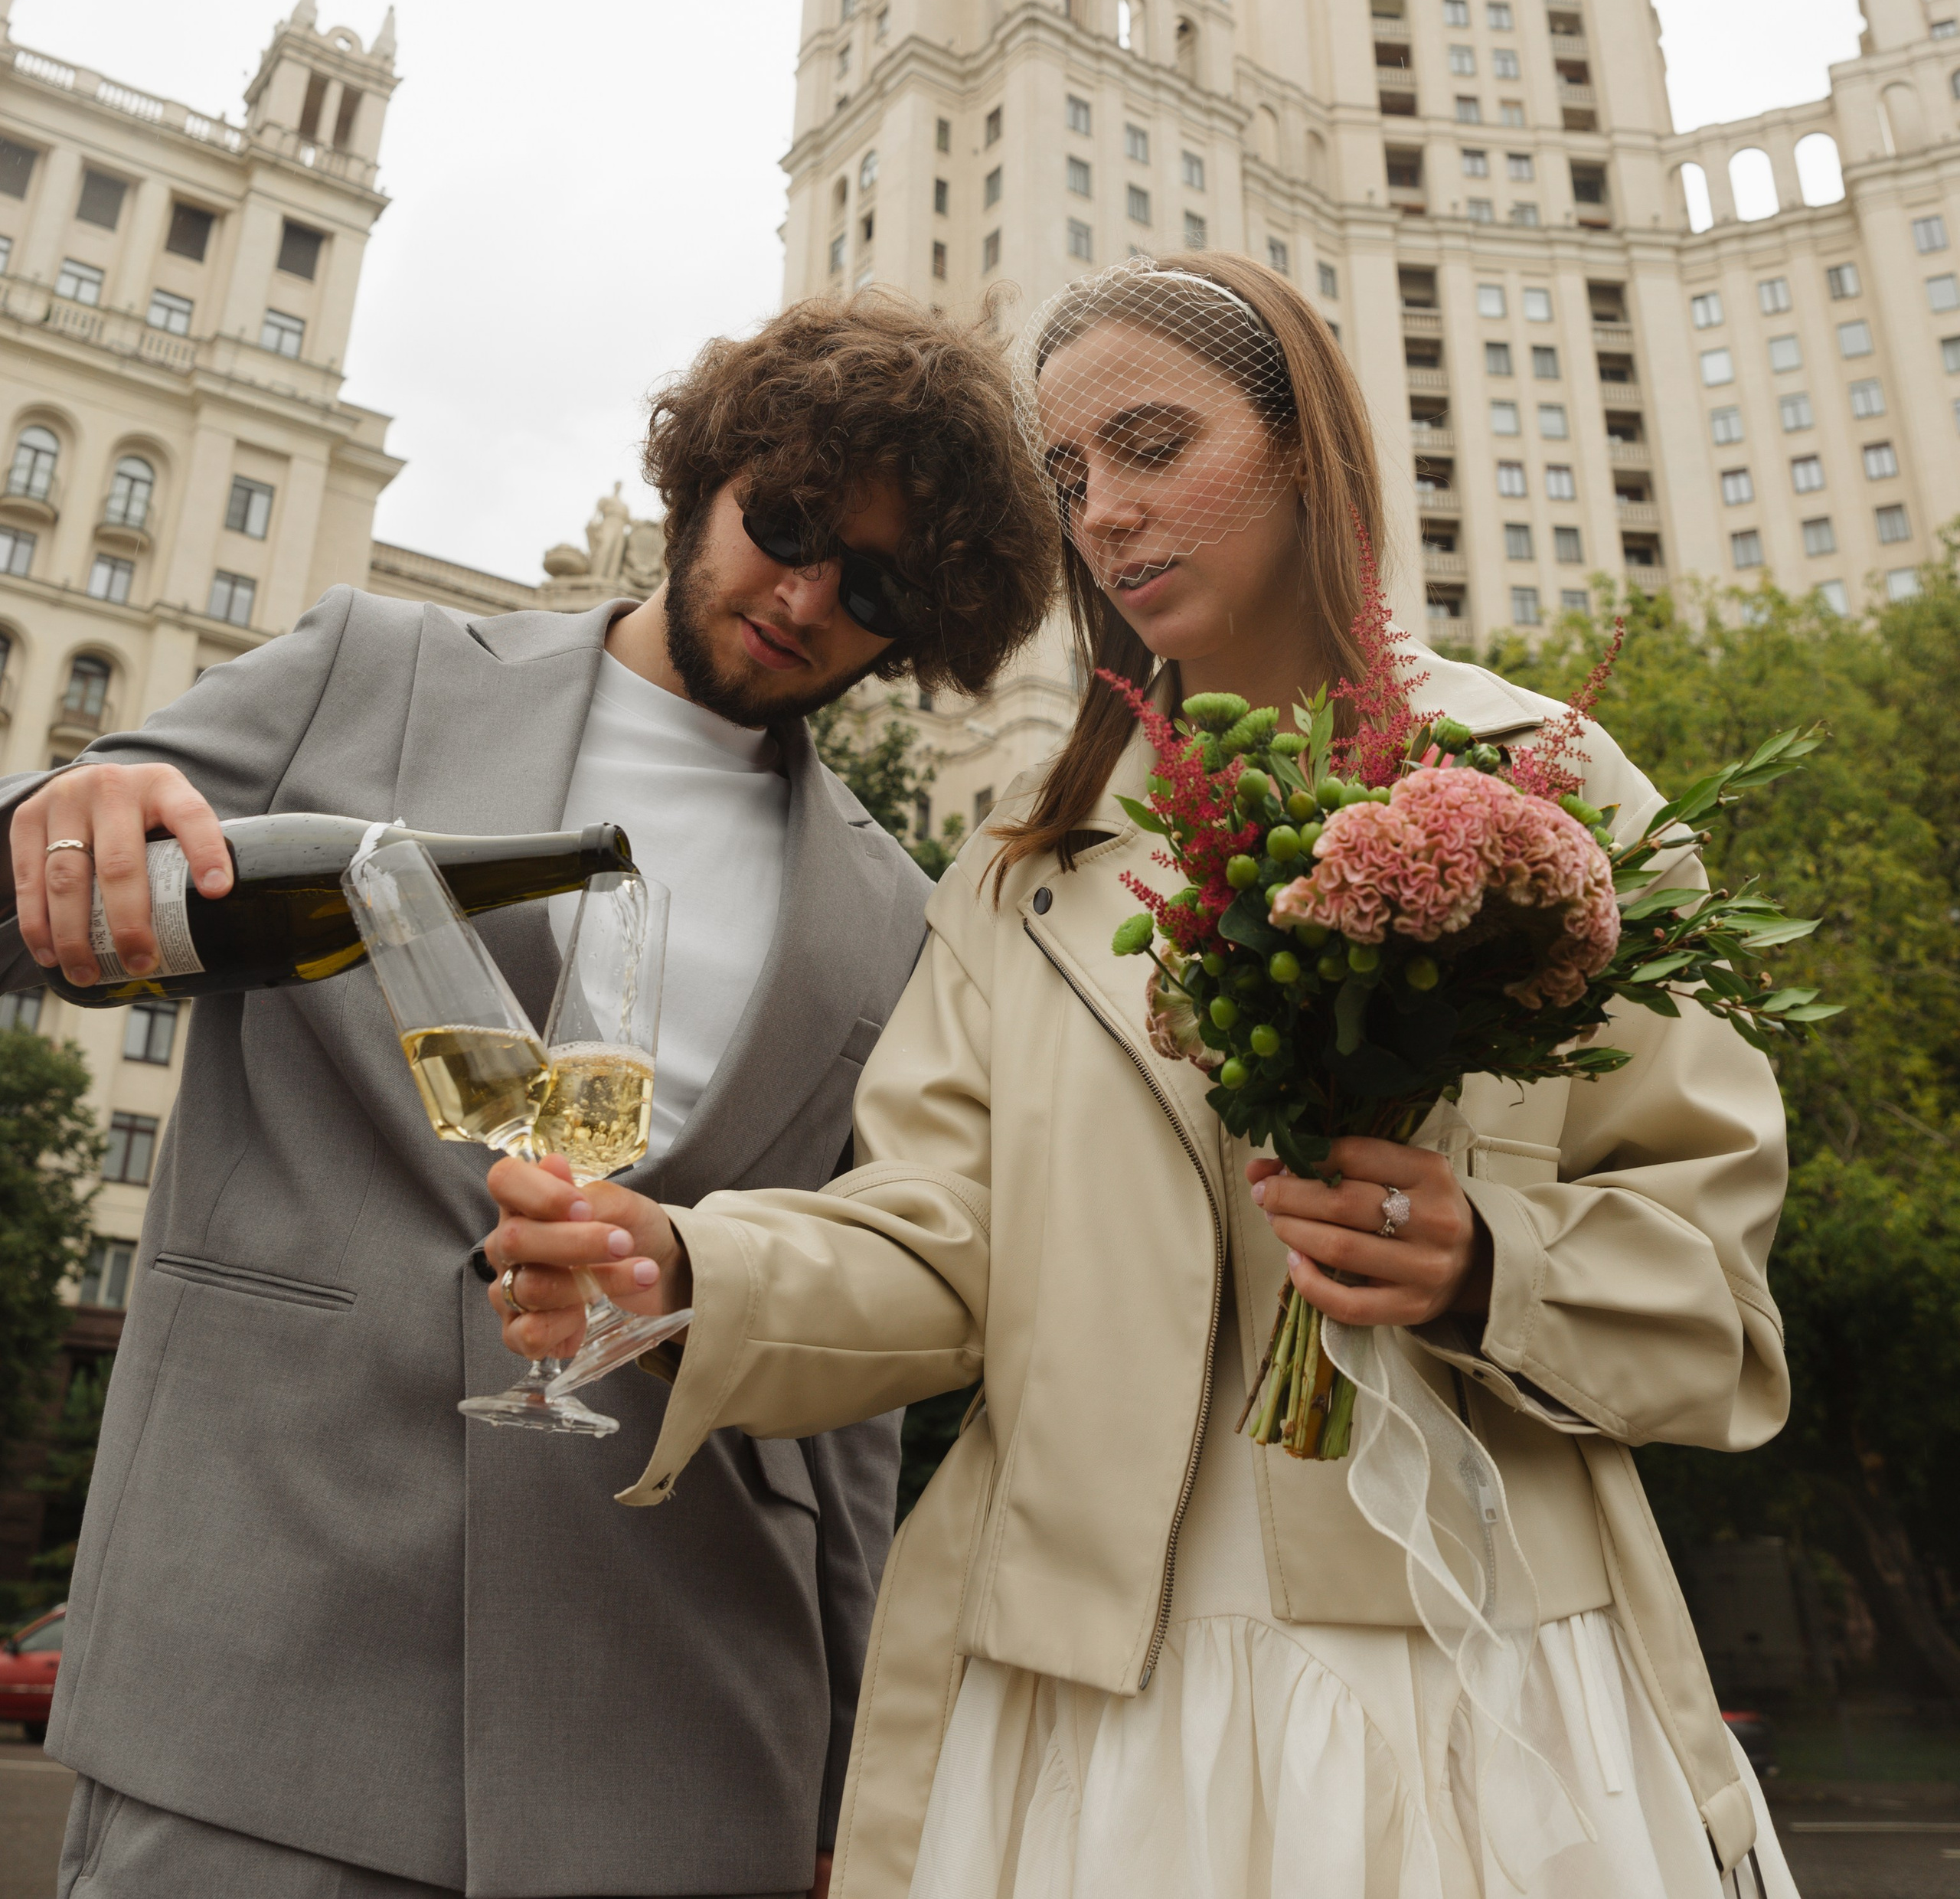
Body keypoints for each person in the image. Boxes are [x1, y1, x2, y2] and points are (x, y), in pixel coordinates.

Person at [488, 254, 1800, 1899]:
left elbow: (1713, 1290)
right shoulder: (1020, 869)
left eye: (1152, 445)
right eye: (1066, 475)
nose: (1099, 513)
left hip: (1473, 1672)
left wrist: (1484, 1265)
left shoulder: (1546, 783)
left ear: (1307, 448)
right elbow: (933, 1243)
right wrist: (679, 1266)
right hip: (1077, 1695)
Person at [7, 291, 1057, 1899]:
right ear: (700, 473)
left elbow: (859, 1391)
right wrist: (68, 808)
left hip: (682, 1719)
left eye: (880, 583)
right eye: (783, 521)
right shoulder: (370, 667)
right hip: (259, 1643)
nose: (803, 592)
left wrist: (843, 1772)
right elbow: (43, 922)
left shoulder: (896, 914)